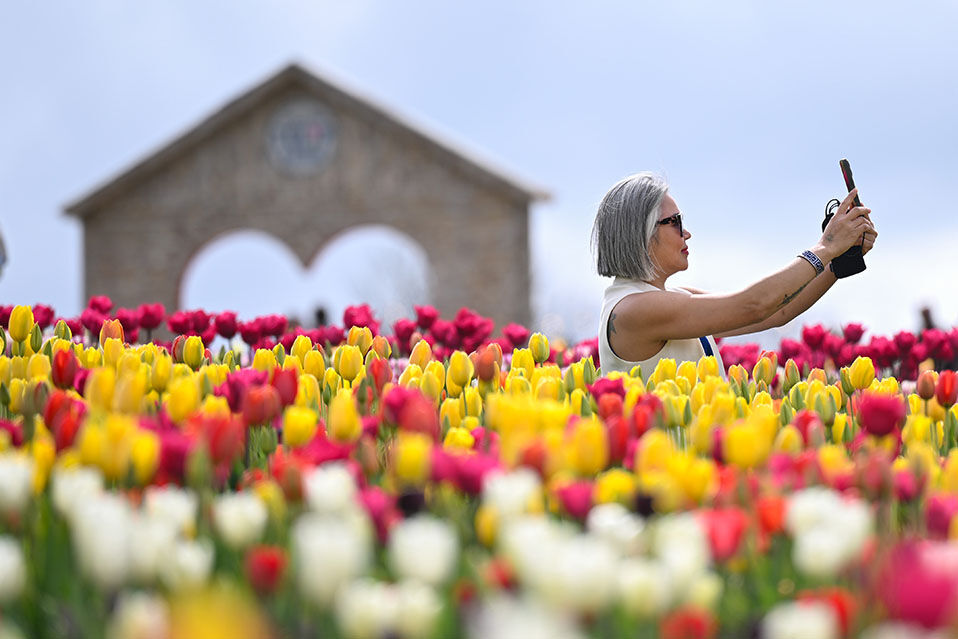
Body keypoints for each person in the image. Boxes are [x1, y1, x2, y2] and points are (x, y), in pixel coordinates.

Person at [592, 172, 877, 377]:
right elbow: (754, 305)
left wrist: (839, 260)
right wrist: (826, 247)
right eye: (675, 222)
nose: (686, 233)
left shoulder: (672, 298)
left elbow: (776, 312)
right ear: (640, 231)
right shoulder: (633, 308)